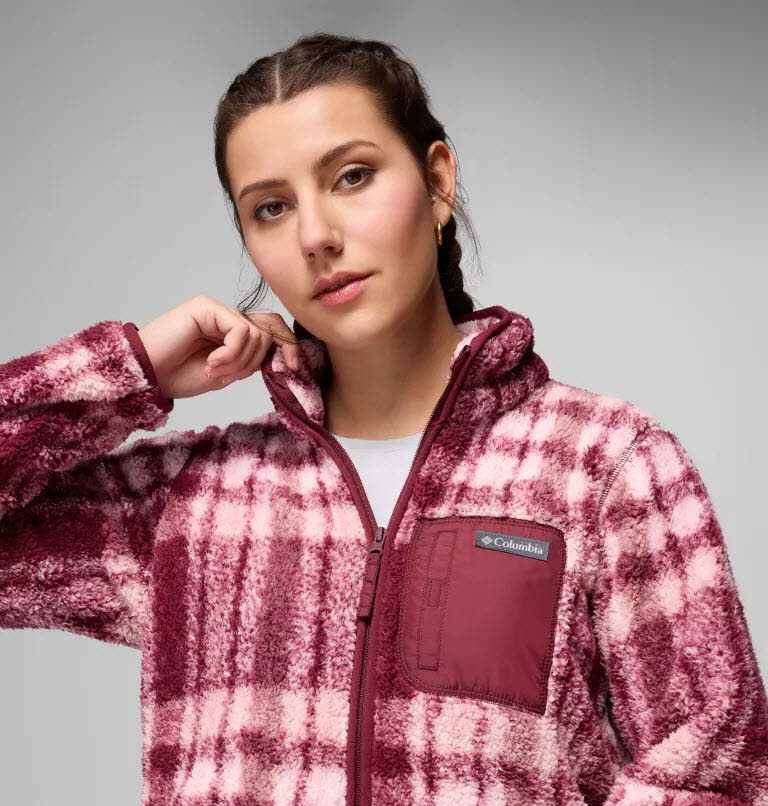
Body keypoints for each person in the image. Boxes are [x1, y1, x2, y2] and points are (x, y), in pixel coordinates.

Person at [1, 31, 766, 806]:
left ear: (437, 182)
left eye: (352, 176)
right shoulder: (192, 499)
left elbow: (721, 773)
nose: (315, 236)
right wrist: (130, 371)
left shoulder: (604, 467)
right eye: (271, 208)